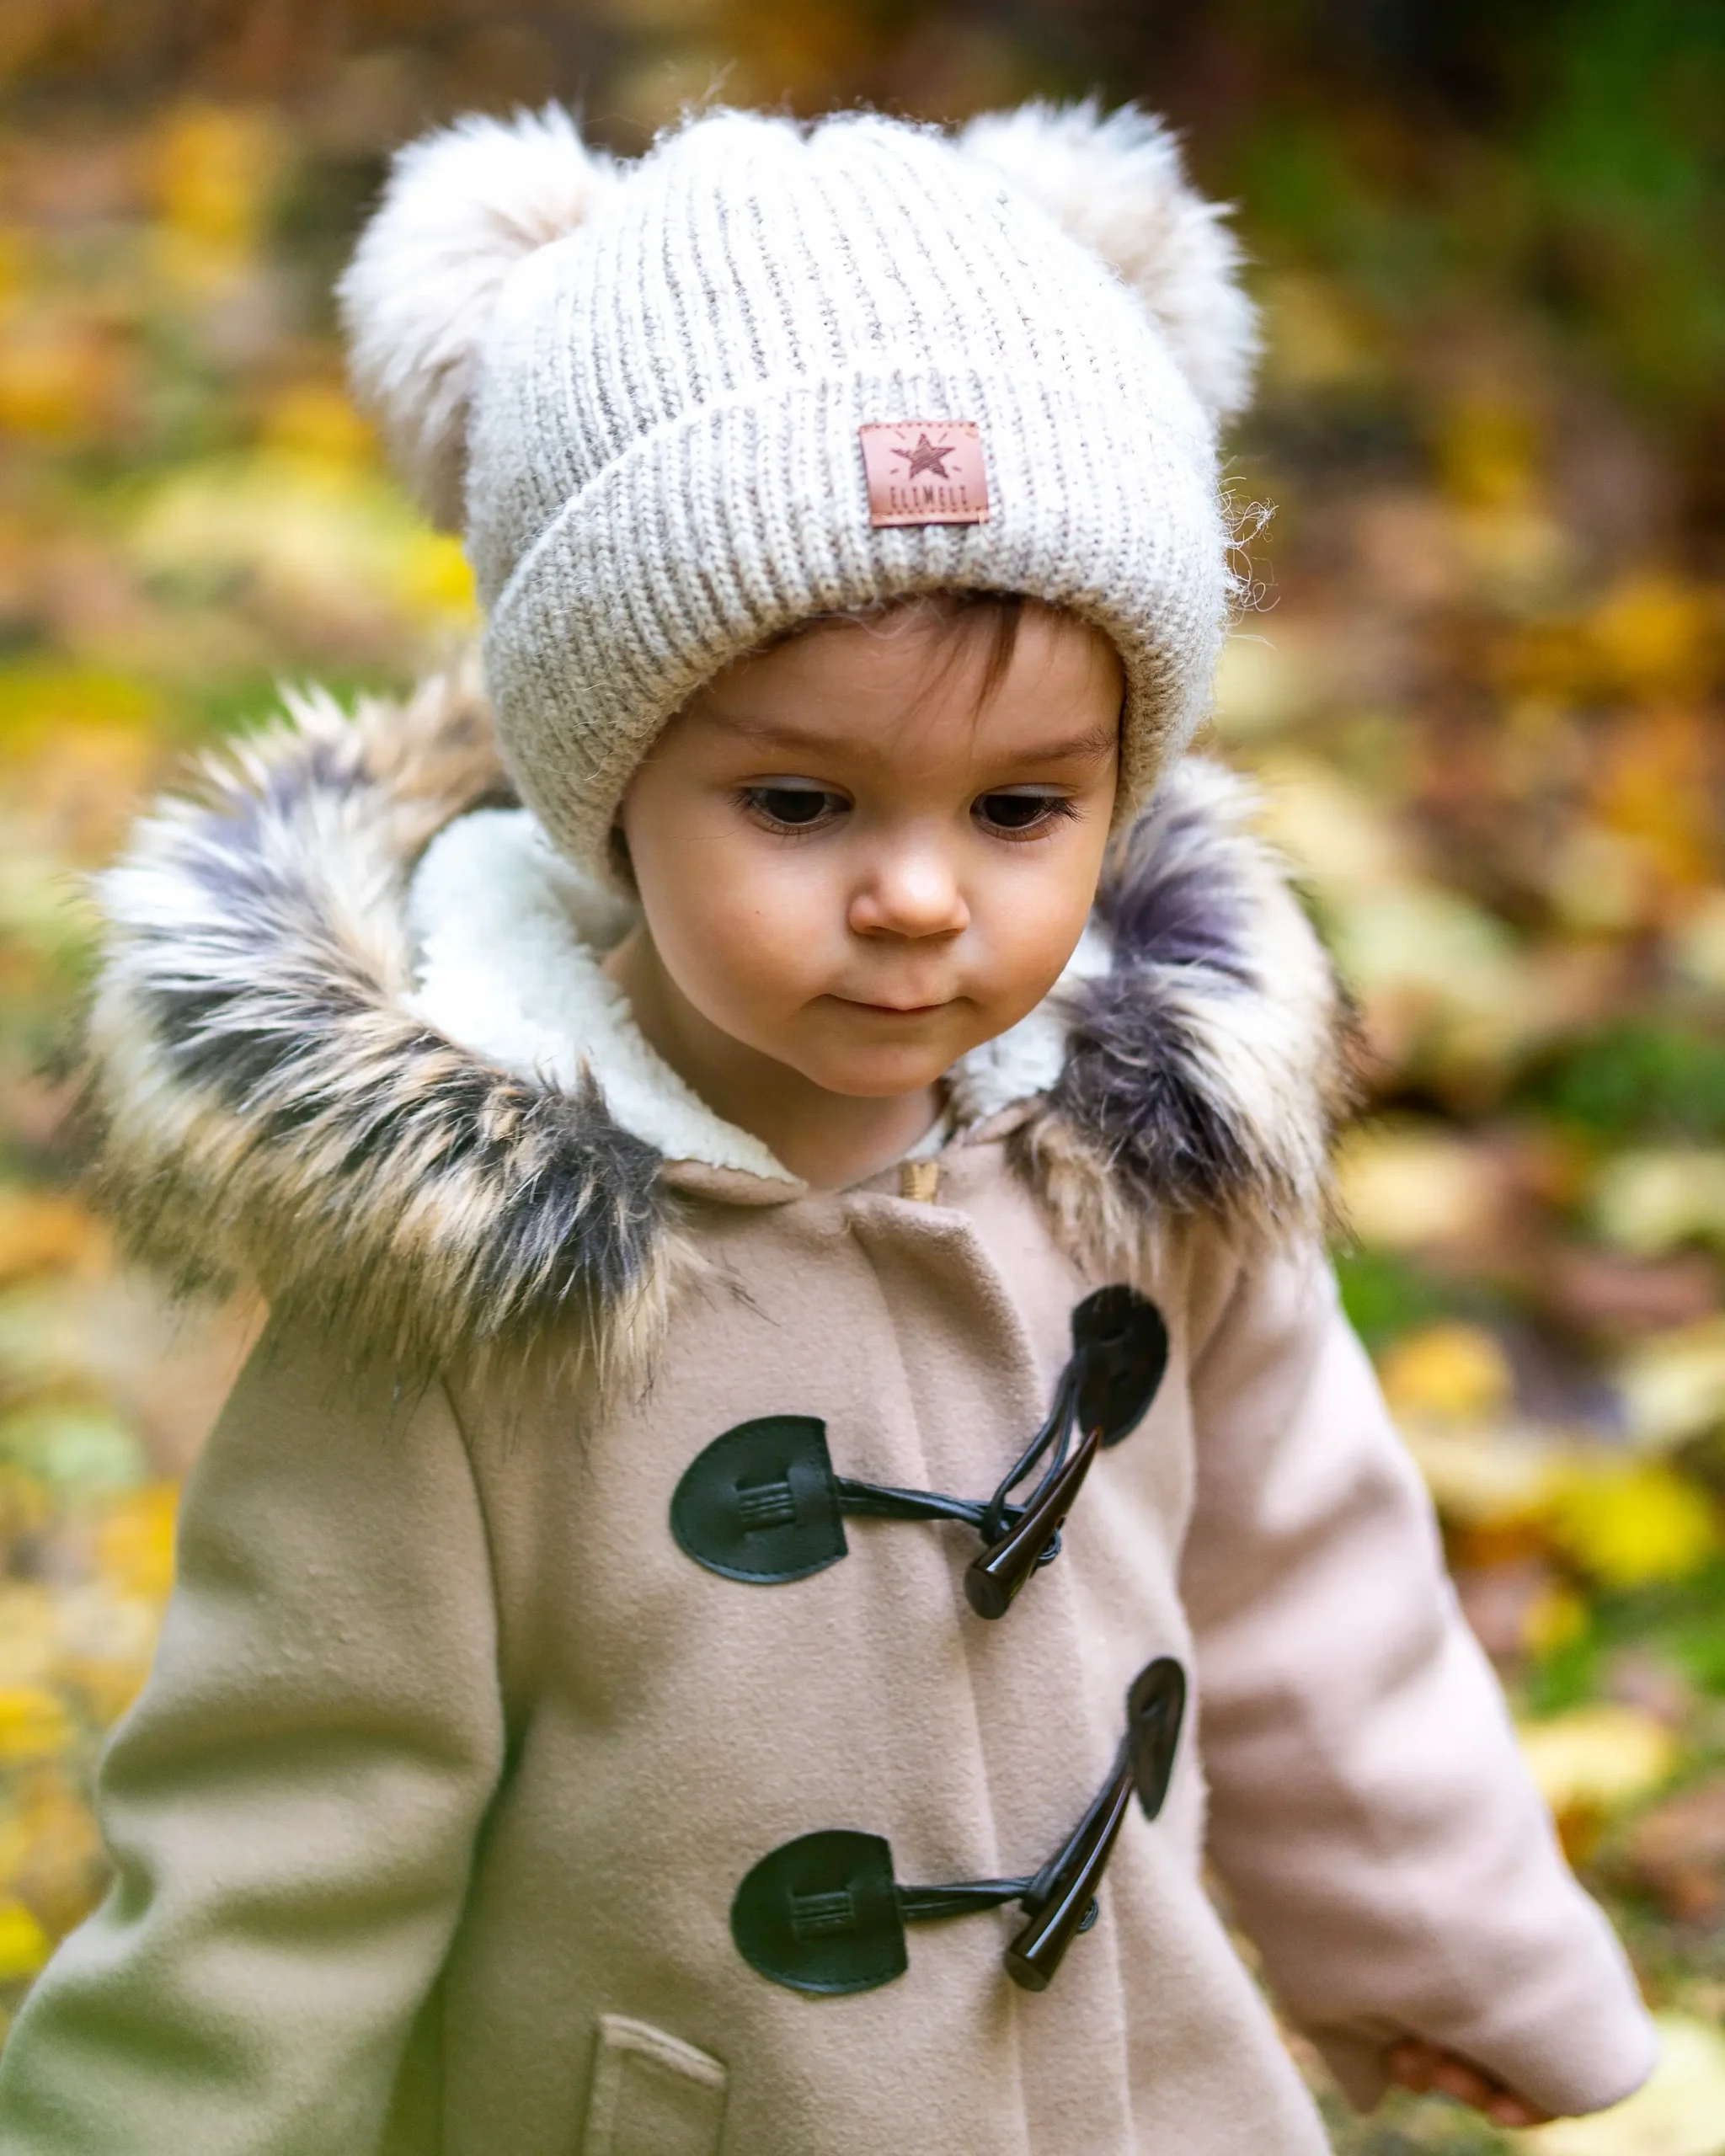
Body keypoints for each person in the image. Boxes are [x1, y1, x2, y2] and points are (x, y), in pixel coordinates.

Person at [0, 99, 1655, 2155]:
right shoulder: (460, 1273)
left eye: (1021, 806)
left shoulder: (1151, 1167)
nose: (919, 897)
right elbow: (290, 1822)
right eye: (800, 804)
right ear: (607, 781)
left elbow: (1324, 1606)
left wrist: (1465, 1957)